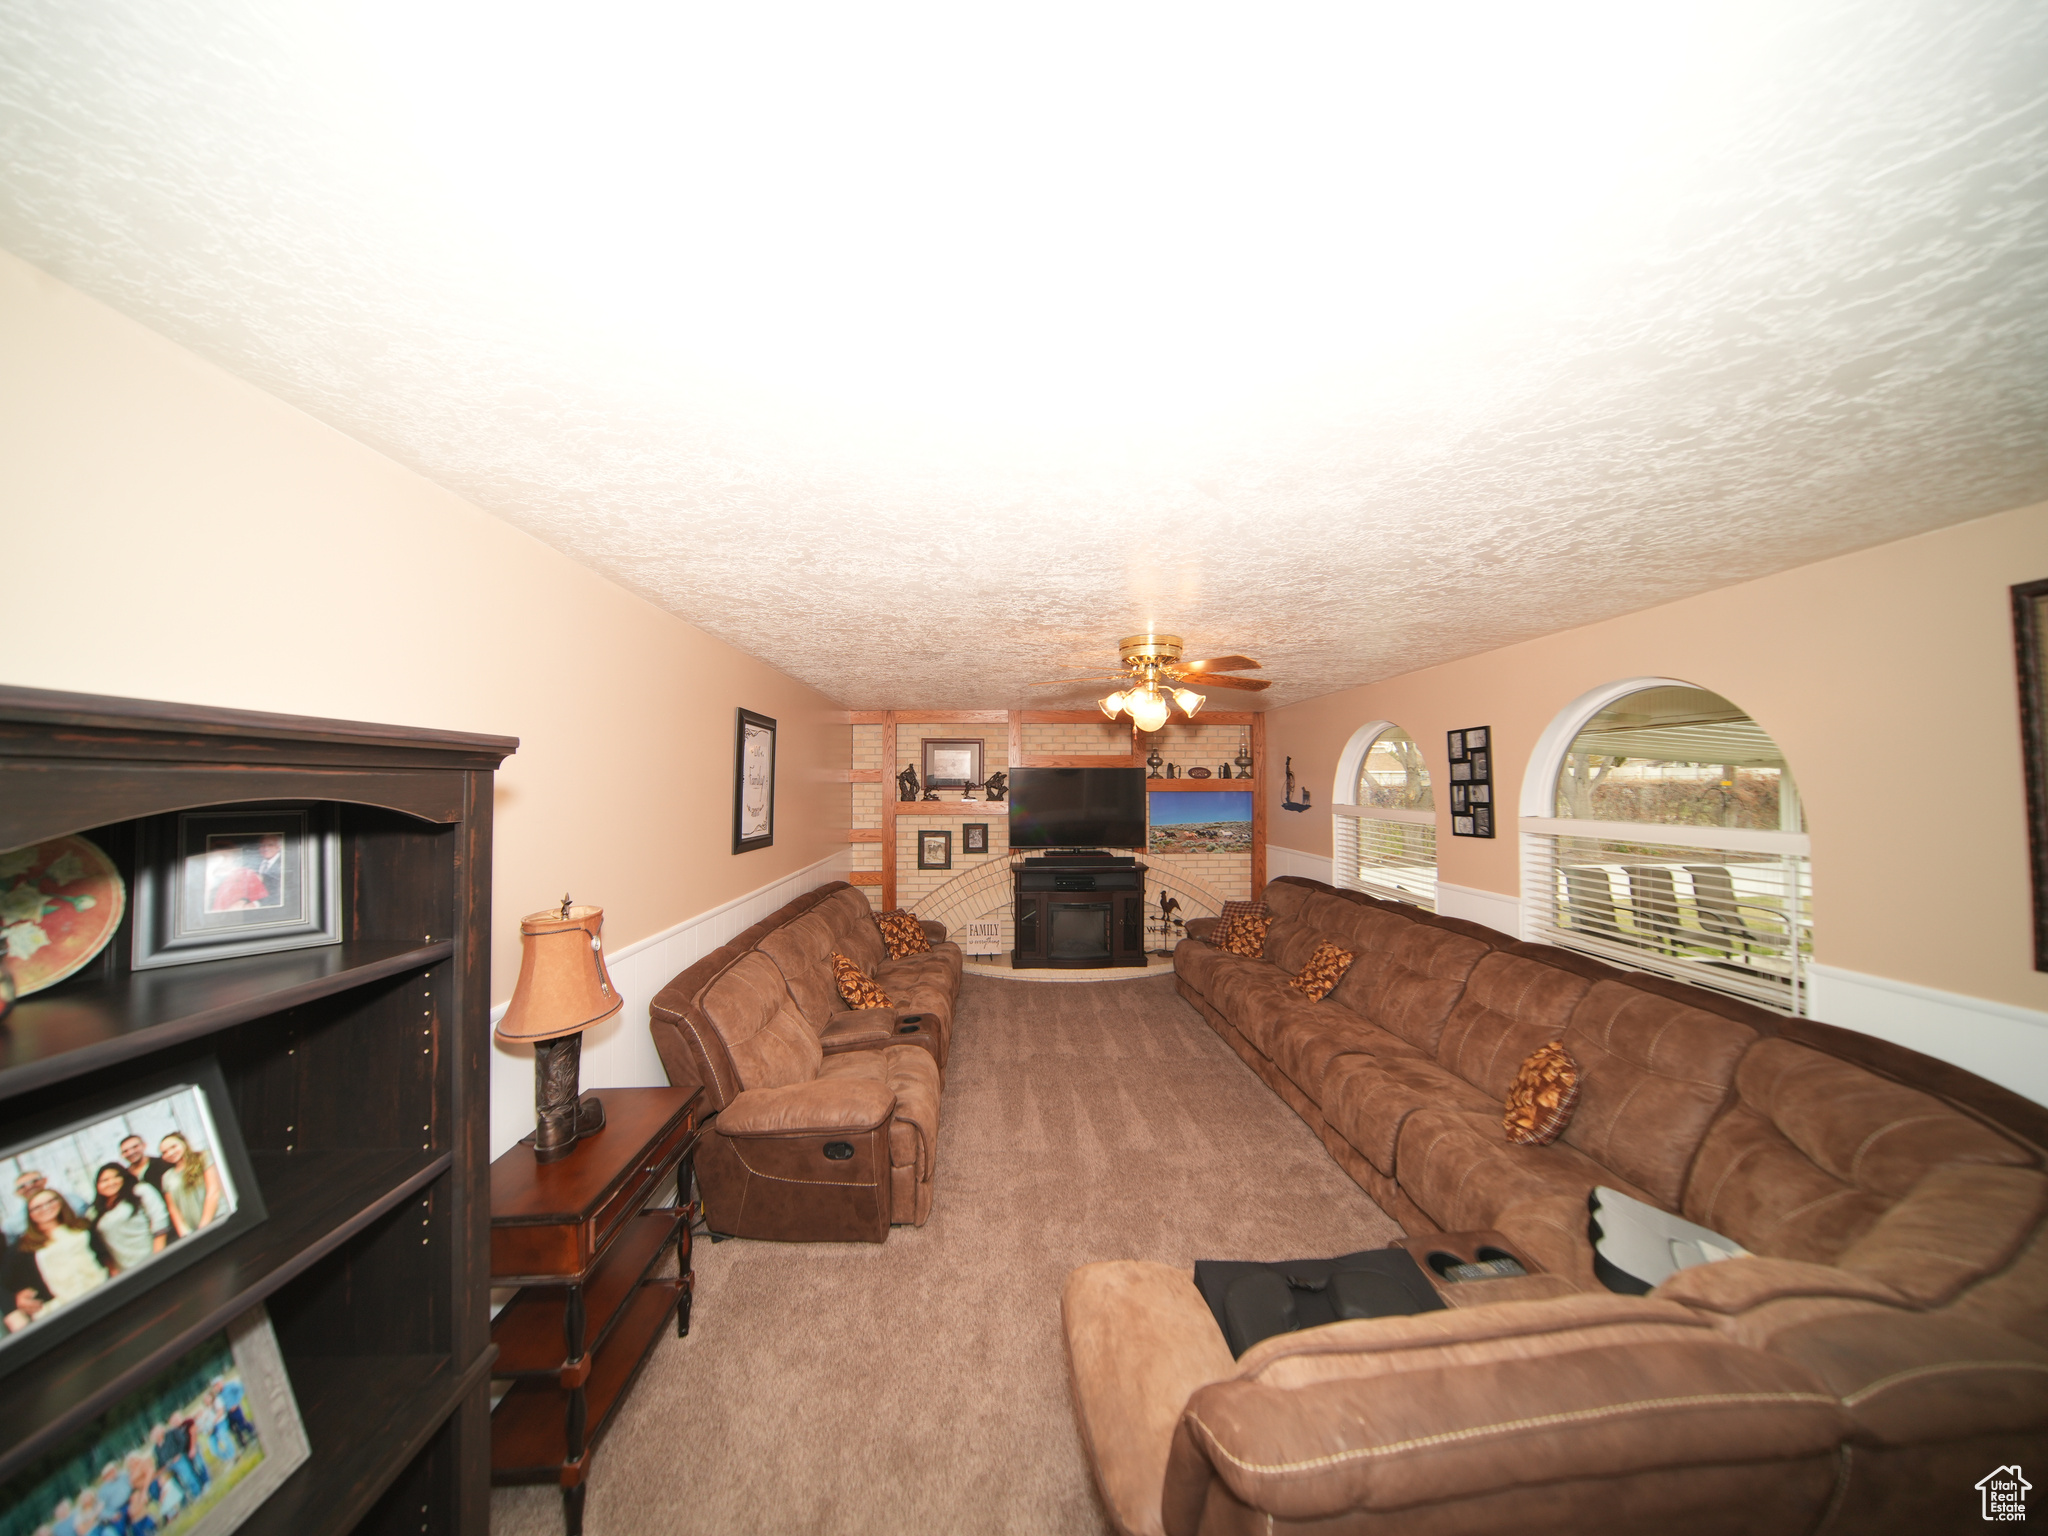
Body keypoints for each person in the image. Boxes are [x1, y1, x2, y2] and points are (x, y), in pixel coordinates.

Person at [16, 1189, 110, 1305]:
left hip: (100, 1287)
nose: (46, 1208)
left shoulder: (82, 1225)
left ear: (60, 1202)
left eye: (50, 1202)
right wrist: (21, 1296)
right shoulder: (24, 1244)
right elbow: (14, 1282)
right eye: (37, 1207)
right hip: (62, 1304)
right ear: (30, 1214)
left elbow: (104, 1256)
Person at [89, 1163, 170, 1273]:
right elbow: (99, 1247)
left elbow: (160, 1221)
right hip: (125, 1272)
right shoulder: (94, 1212)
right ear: (97, 1185)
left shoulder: (140, 1190)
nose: (111, 1182)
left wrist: (158, 1259)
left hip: (154, 1260)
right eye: (104, 1180)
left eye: (116, 1176)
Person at [158, 1134, 222, 1236]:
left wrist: (204, 1226)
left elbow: (213, 1191)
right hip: (193, 1230)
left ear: (184, 1143)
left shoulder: (204, 1157)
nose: (170, 1153)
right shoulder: (166, 1177)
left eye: (173, 1147)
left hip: (218, 1218)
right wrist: (184, 1232)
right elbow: (173, 1208)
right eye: (164, 1152)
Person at [203, 845, 267, 913]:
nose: (222, 860)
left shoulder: (246, 873)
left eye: (226, 856)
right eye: (218, 856)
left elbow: (262, 900)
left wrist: (246, 906)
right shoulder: (207, 876)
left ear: (233, 857)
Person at [252, 833, 285, 905]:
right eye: (262, 845)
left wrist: (256, 904)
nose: (265, 848)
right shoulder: (254, 862)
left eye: (270, 845)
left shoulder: (285, 863)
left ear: (279, 847)